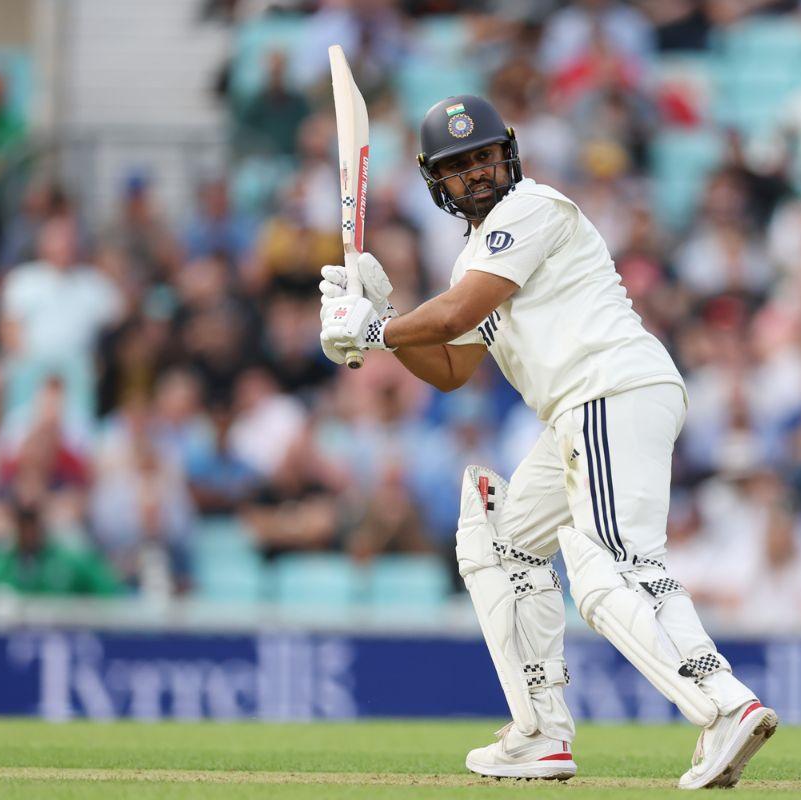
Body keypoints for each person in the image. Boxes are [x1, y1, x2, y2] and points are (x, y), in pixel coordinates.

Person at [318, 95, 777, 788]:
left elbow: (455, 315)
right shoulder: (474, 257)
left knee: (608, 569)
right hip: (582, 412)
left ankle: (722, 704)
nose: (476, 173)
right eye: (458, 166)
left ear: (508, 154)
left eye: (483, 157)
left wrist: (376, 329)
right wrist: (382, 317)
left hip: (607, 389)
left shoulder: (533, 208)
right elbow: (449, 367)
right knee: (500, 537)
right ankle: (540, 732)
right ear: (435, 182)